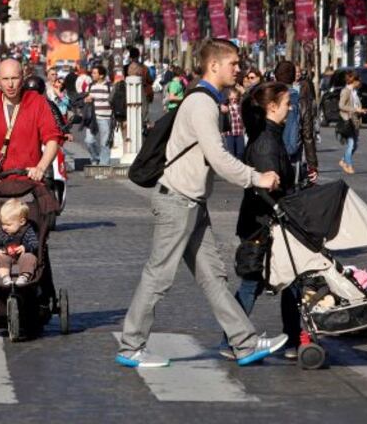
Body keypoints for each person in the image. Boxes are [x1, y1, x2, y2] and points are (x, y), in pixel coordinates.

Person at [116, 39, 286, 369]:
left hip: (192, 202)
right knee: (159, 276)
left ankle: (244, 343)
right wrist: (257, 177)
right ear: (214, 66)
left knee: (213, 277)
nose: (238, 69)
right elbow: (219, 158)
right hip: (178, 202)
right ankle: (131, 345)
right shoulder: (203, 104)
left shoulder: (208, 100)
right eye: (233, 64)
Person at [220, 81, 301, 361]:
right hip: (263, 224)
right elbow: (267, 187)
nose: (291, 109)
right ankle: (286, 341)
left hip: (263, 223)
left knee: (279, 280)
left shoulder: (268, 135)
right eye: (287, 104)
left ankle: (290, 339)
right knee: (256, 282)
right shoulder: (266, 141)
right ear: (272, 107)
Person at [0, 59, 61, 187]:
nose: (10, 84)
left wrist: (41, 168)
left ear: (23, 78)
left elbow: (52, 138)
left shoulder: (37, 102)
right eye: (5, 79)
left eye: (15, 78)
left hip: (31, 178)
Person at [0, 198, 39, 287]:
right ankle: (5, 277)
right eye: (3, 224)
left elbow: (35, 243)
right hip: (6, 255)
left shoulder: (28, 231)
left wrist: (25, 247)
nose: (4, 227)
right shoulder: (1, 232)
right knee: (0, 258)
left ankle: (23, 277)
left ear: (22, 222)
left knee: (30, 257)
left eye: (8, 224)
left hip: (22, 256)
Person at [338, 72, 367, 175]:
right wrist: (355, 109)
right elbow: (341, 106)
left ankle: (343, 161)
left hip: (354, 121)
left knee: (355, 145)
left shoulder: (354, 92)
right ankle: (348, 165)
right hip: (348, 121)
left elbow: (356, 105)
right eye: (359, 80)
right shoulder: (346, 91)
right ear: (354, 81)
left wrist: (361, 110)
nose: (360, 83)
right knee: (351, 144)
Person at [84, 65, 113, 166]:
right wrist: (86, 99)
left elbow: (113, 101)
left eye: (94, 73)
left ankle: (104, 165)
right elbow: (86, 98)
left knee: (105, 143)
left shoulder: (109, 87)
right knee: (89, 141)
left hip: (105, 118)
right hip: (92, 119)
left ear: (101, 75)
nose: (92, 75)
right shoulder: (91, 86)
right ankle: (96, 157)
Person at [222, 88, 246, 160]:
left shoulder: (240, 107)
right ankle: (232, 169)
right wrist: (222, 130)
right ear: (228, 98)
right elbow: (222, 120)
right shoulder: (226, 107)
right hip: (229, 133)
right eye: (231, 99)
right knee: (230, 152)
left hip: (239, 132)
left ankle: (240, 166)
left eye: (235, 98)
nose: (233, 100)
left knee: (240, 152)